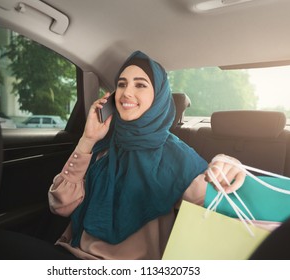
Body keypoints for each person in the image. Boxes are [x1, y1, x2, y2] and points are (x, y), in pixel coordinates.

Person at [48, 51, 245, 259]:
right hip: (71, 251)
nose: (126, 93)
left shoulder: (176, 155)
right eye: (122, 84)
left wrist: (228, 167)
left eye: (140, 85)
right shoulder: (104, 145)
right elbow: (61, 205)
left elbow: (225, 204)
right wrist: (87, 140)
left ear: (158, 96)